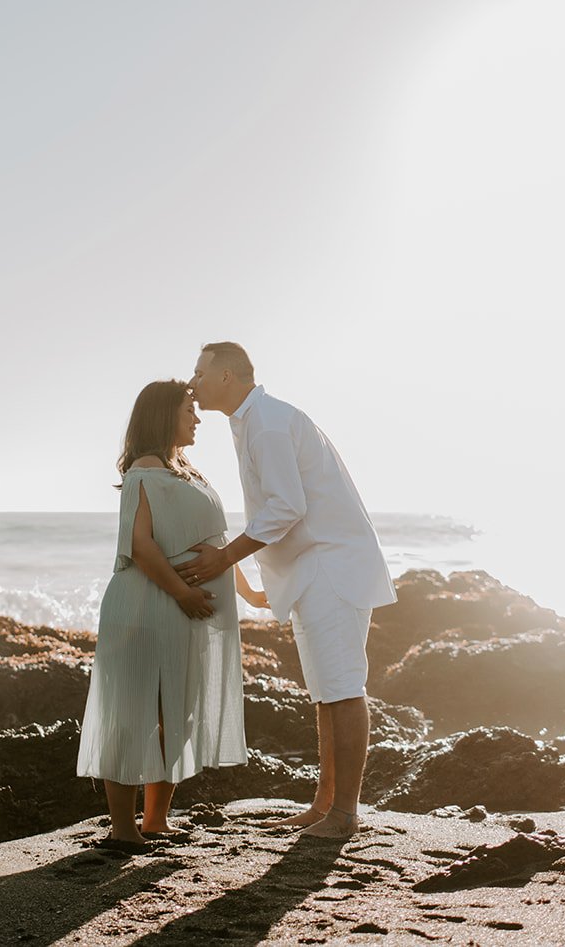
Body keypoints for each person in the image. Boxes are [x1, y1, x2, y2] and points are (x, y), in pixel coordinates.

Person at [179, 342, 396, 839]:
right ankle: (324, 805)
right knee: (325, 694)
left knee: (342, 689)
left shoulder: (269, 423)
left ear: (228, 376)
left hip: (331, 568)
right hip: (311, 568)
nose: (193, 382)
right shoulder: (254, 421)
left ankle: (344, 815)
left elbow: (285, 507)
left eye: (200, 372)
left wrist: (223, 558)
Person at [76, 379, 265, 853]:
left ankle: (156, 821)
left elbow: (213, 544)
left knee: (174, 714)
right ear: (164, 415)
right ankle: (123, 830)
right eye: (188, 410)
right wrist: (183, 593)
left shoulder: (186, 469)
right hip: (145, 606)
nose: (197, 418)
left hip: (180, 610)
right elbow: (141, 547)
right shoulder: (145, 469)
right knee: (130, 716)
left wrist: (247, 591)